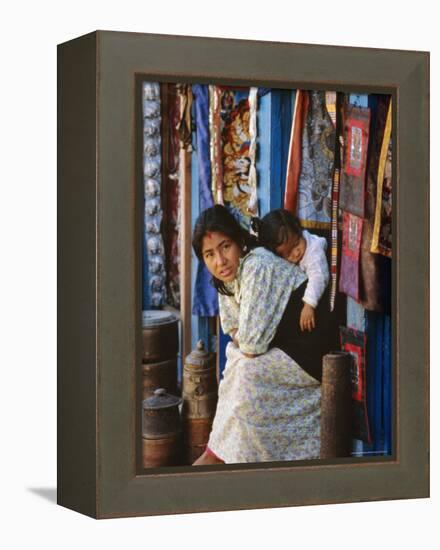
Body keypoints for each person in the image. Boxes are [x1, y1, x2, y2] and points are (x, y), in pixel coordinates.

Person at [191, 204, 327, 465]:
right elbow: (232, 329)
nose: (220, 261)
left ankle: (226, 458)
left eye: (225, 247)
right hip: (281, 348)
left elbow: (251, 344)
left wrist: (243, 344)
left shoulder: (257, 265)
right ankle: (220, 453)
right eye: (209, 255)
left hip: (308, 350)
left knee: (244, 372)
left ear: (239, 241)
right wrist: (242, 343)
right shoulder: (225, 279)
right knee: (236, 371)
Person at [251, 209, 329, 333]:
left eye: (297, 243)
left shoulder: (314, 252)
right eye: (288, 254)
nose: (296, 253)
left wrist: (309, 305)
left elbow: (319, 277)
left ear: (299, 230)